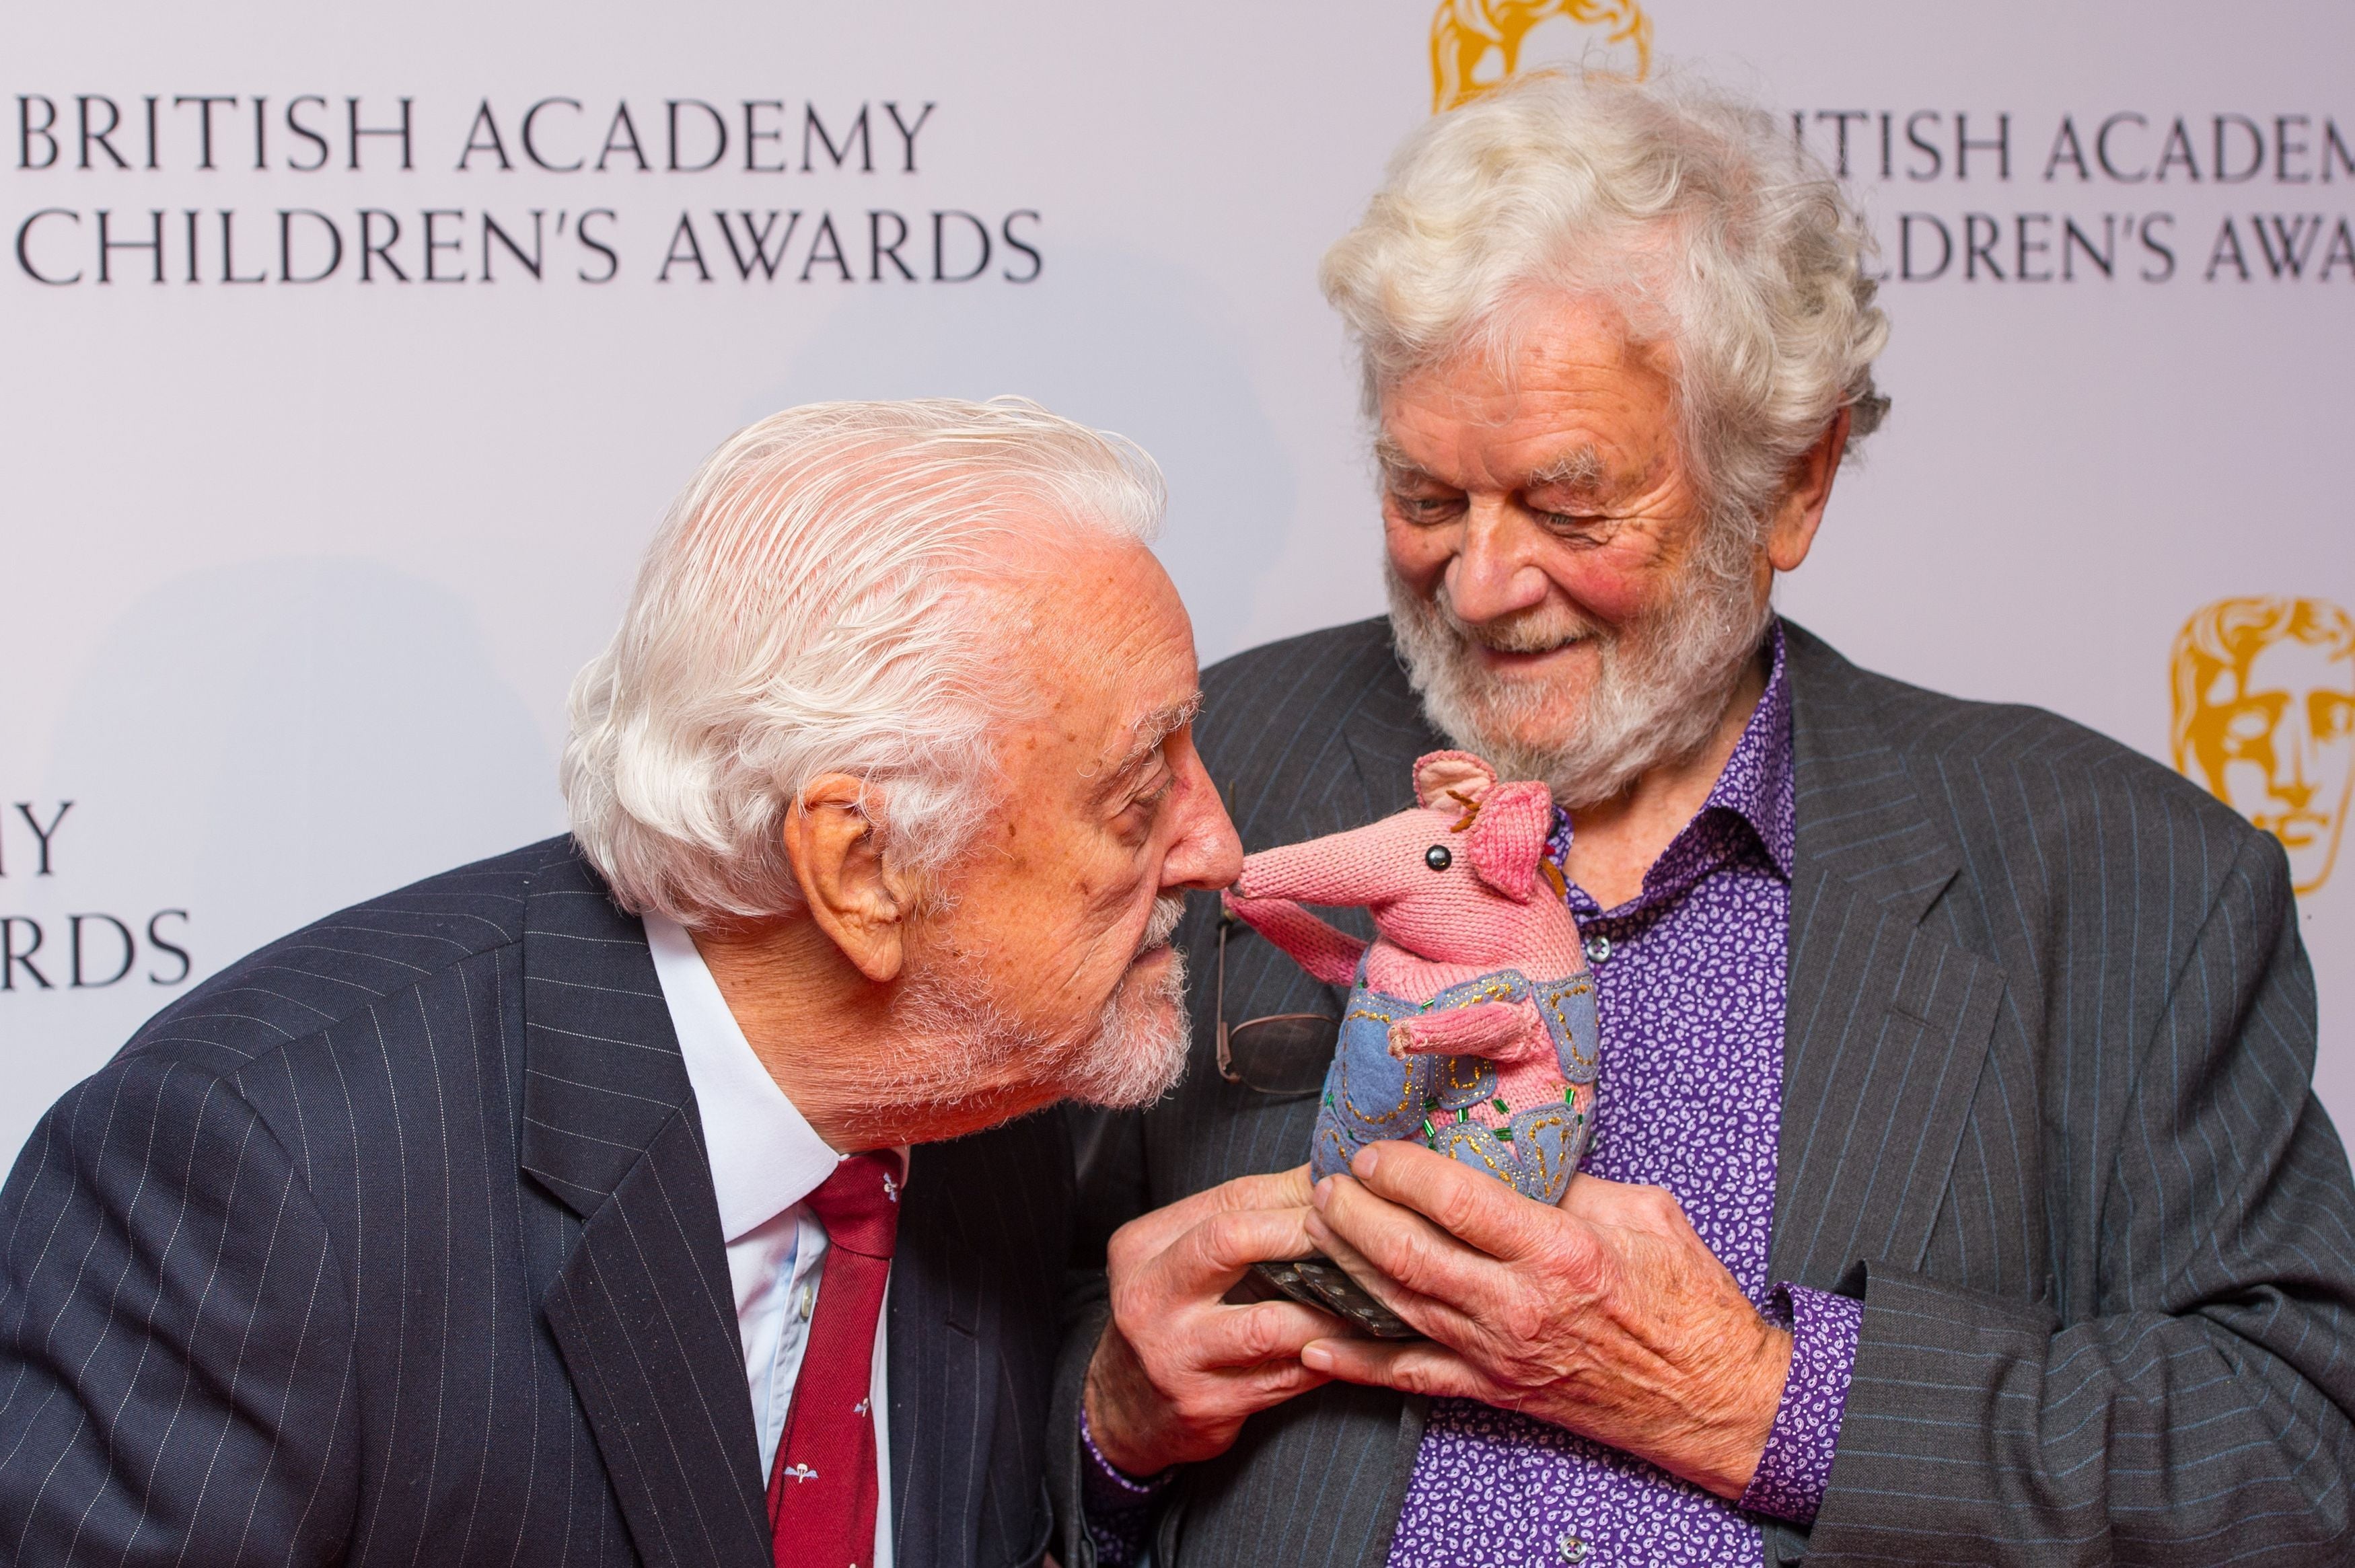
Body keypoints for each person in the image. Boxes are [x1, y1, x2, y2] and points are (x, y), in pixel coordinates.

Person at [1053, 73, 2355, 1567]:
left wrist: (1754, 1396)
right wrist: (1111, 1418)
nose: (1478, 582)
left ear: (1787, 485)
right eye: (1426, 495)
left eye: (1568, 503)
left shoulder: (2125, 877)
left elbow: (2292, 1445)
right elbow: (989, 1337)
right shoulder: (1221, 772)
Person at [0, 399, 1247, 1568]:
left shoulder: (983, 1075)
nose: (1219, 846)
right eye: (1140, 800)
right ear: (861, 870)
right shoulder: (268, 1175)